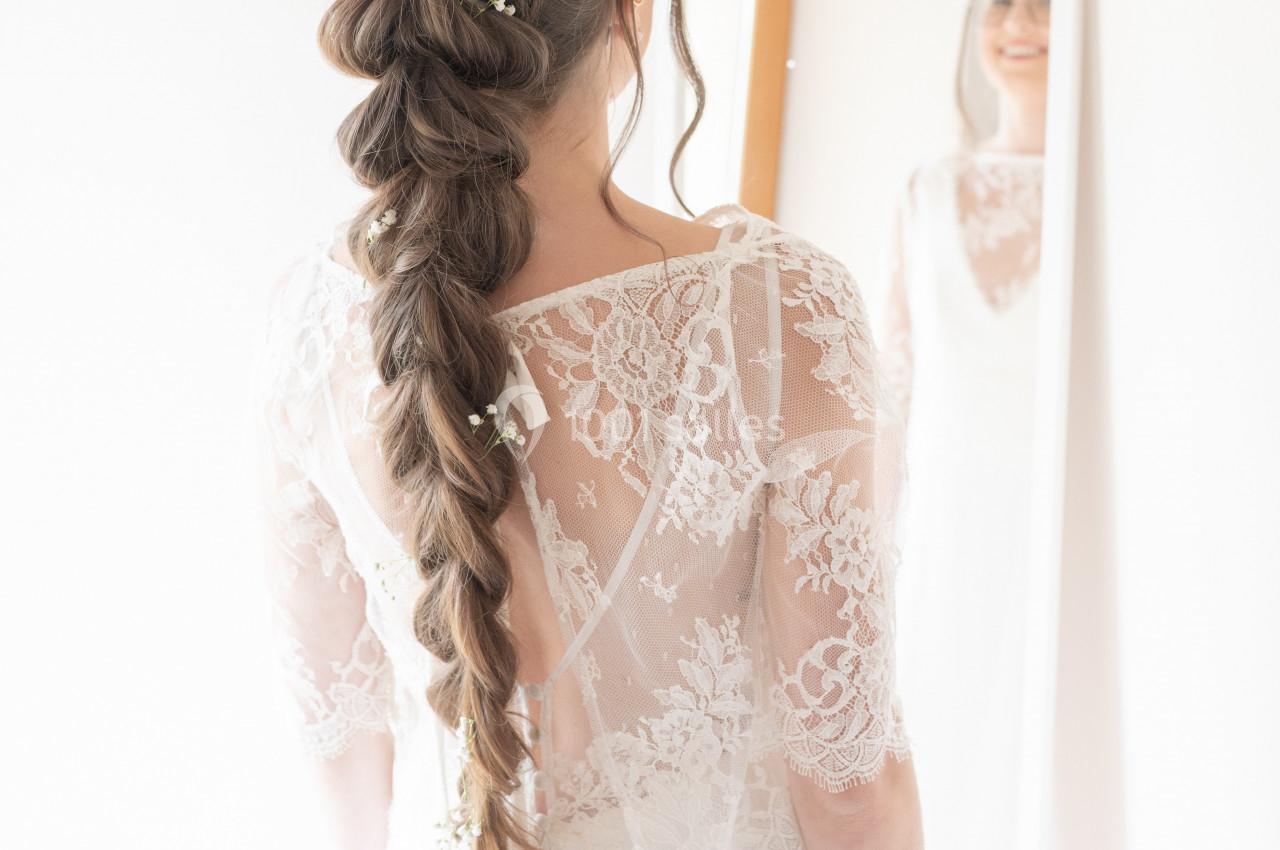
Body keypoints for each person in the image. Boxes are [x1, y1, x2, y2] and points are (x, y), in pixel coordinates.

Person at [257, 1, 921, 848]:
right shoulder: (778, 312)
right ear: (630, 17)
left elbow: (340, 747)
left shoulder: (311, 329)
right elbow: (848, 781)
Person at [877, 1, 1049, 847]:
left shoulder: (1120, 194)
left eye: (1046, 4)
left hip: (1056, 526)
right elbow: (892, 390)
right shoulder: (928, 190)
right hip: (948, 529)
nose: (1020, 22)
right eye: (1001, 4)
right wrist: (868, 553)